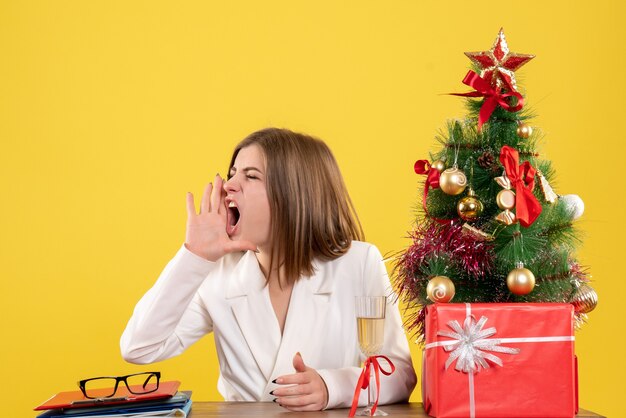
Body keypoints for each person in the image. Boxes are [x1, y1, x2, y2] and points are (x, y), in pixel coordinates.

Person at [120, 128, 417, 411]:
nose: (228, 186)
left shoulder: (359, 263)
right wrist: (194, 255)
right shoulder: (216, 272)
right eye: (232, 173)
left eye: (251, 176)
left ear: (295, 194)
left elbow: (399, 374)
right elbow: (139, 347)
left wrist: (332, 388)